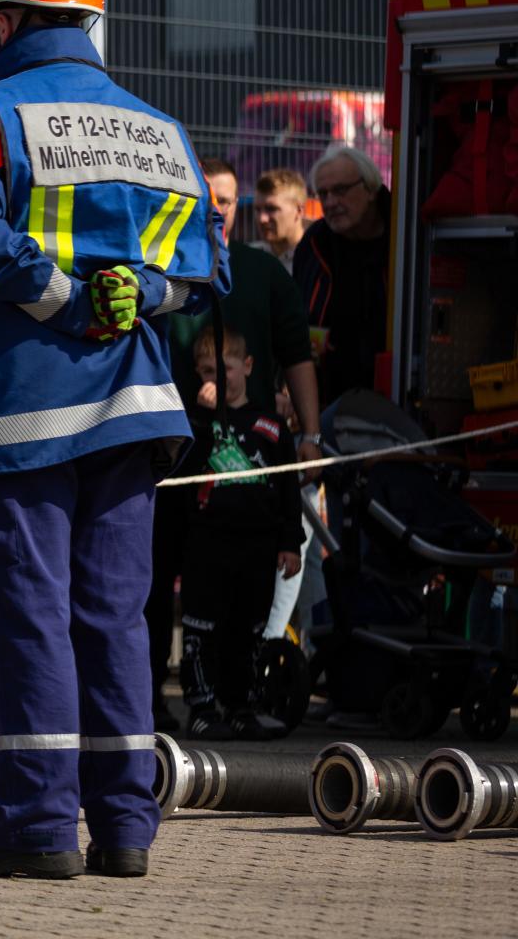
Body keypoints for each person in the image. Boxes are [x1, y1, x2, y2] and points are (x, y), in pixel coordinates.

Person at [0, 0, 223, 880]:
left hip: (23, 404)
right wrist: (136, 293)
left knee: (27, 613)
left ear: (8, 18)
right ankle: (127, 830)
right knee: (114, 616)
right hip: (136, 404)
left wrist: (57, 295)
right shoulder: (158, 129)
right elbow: (200, 266)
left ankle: (37, 827)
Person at [153, 158, 320, 730]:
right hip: (172, 458)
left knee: (243, 606)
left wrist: (311, 435)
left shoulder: (263, 271)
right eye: (206, 199)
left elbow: (299, 354)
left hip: (248, 469)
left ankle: (237, 702)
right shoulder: (160, 267)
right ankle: (157, 701)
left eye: (225, 200)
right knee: (160, 588)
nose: (216, 209)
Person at [179, 326, 304, 740]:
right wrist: (201, 417)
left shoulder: (271, 427)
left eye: (225, 369)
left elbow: (288, 489)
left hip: (258, 546)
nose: (217, 379)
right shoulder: (194, 421)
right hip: (207, 545)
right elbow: (181, 470)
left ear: (247, 367)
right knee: (202, 629)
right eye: (207, 371)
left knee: (247, 631)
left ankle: (240, 706)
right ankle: (201, 706)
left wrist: (290, 543)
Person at [294, 144, 392, 409]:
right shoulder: (313, 246)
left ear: (370, 188)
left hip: (396, 396)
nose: (330, 203)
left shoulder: (404, 237)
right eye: (322, 194)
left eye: (340, 191)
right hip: (328, 401)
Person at [251, 168, 309, 274]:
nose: (262, 219)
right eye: (257, 209)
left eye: (271, 209)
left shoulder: (316, 260)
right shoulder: (249, 258)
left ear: (299, 211)